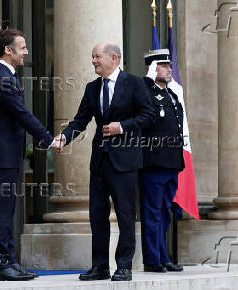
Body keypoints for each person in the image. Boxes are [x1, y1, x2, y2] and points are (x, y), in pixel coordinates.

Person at [54, 42, 155, 281]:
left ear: (114, 58)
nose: (93, 61)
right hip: (99, 161)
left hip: (125, 161)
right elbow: (80, 121)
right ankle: (100, 267)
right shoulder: (92, 88)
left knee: (125, 215)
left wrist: (122, 126)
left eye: (97, 57)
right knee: (97, 215)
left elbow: (148, 115)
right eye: (92, 57)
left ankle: (124, 266)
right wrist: (64, 137)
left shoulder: (134, 83)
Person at [0, 29, 61, 281]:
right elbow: (22, 114)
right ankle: (2, 266)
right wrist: (49, 139)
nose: (26, 52)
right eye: (23, 48)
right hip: (2, 156)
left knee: (5, 211)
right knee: (2, 212)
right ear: (8, 50)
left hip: (1, 155)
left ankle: (9, 262)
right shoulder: (1, 78)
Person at [139, 49, 184, 273]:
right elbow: (142, 105)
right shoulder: (146, 92)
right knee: (152, 211)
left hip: (172, 164)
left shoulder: (172, 96)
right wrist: (148, 79)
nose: (169, 68)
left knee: (165, 212)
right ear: (152, 68)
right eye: (163, 65)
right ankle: (152, 258)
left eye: (169, 65)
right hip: (154, 164)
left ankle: (163, 256)